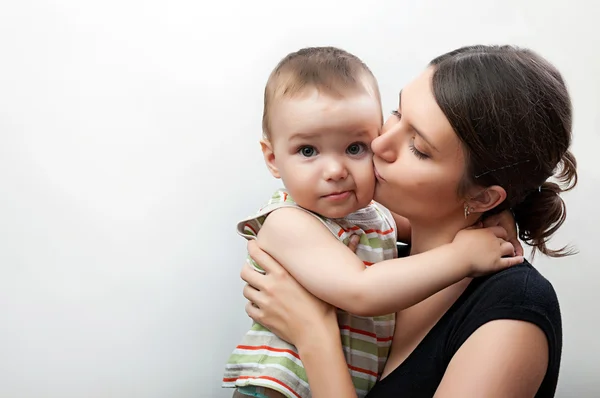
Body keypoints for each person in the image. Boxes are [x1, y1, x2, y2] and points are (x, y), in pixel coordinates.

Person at [241, 44, 577, 398]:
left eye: (418, 147)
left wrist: (314, 334)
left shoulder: (511, 309)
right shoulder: (377, 255)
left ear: (482, 197)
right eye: (397, 114)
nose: (380, 143)